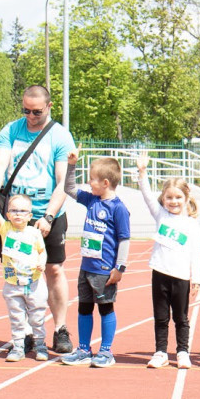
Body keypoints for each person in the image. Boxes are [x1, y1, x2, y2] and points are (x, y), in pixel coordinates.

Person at [0, 85, 77, 357]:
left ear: (49, 107)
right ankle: (25, 333)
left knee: (53, 269)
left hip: (48, 211)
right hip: (16, 214)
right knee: (17, 273)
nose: (31, 116)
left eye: (36, 111)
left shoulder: (60, 136)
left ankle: (60, 328)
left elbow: (63, 181)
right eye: (25, 110)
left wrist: (49, 215)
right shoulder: (11, 130)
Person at [59, 153, 132, 368]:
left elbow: (124, 239)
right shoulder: (92, 200)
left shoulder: (118, 208)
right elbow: (69, 189)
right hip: (86, 267)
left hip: (104, 270)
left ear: (106, 183)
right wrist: (71, 165)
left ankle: (106, 351)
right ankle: (83, 349)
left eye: (92, 179)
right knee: (83, 308)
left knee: (105, 308)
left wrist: (120, 267)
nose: (89, 182)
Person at [136, 151, 200, 370]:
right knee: (161, 316)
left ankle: (183, 351)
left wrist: (197, 278)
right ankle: (160, 352)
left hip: (181, 277)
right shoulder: (160, 215)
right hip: (160, 273)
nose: (173, 201)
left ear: (186, 198)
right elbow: (146, 194)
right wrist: (142, 171)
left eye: (178, 197)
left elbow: (196, 252)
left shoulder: (191, 224)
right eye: (169, 197)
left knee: (181, 318)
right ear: (163, 199)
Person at [0, 189, 48, 363]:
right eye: (14, 210)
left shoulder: (34, 233)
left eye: (22, 211)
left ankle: (40, 344)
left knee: (37, 316)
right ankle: (18, 346)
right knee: (17, 317)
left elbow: (42, 252)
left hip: (34, 283)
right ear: (8, 214)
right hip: (13, 283)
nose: (18, 214)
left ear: (30, 215)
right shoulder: (6, 229)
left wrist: (42, 262)